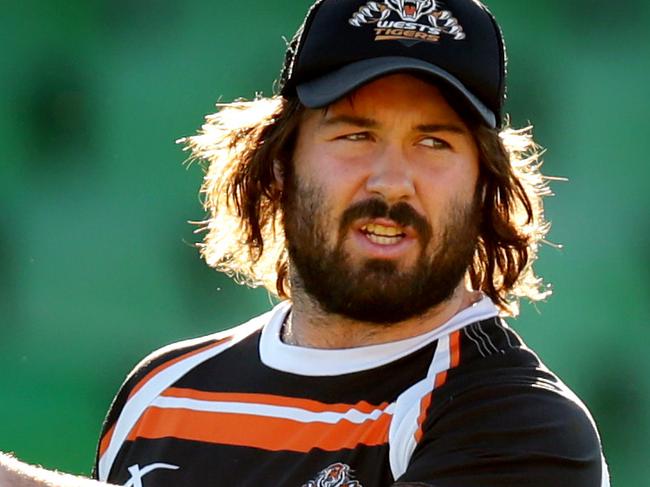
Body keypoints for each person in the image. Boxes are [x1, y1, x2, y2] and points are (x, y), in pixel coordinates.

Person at [1, 0, 610, 486]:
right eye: (355, 134)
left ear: (485, 187)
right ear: (280, 165)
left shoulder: (523, 425)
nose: (392, 181)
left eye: (434, 142)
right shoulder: (160, 393)